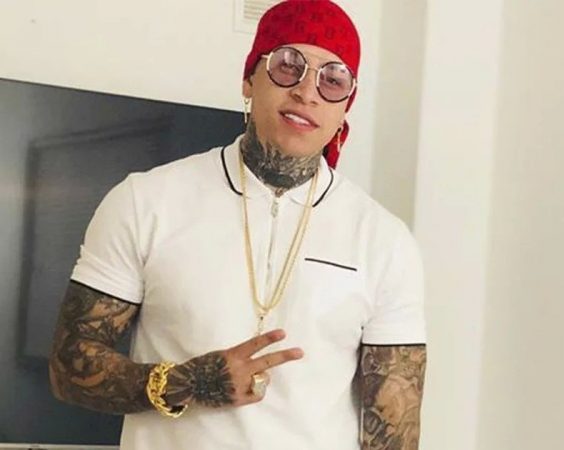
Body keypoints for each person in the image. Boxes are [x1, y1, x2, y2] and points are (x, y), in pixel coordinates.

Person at [48, 1, 427, 449]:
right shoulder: (146, 201)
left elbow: (394, 430)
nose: (307, 92)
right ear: (249, 79)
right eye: (288, 65)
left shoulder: (383, 240)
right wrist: (192, 381)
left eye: (333, 79)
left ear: (346, 104)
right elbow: (69, 367)